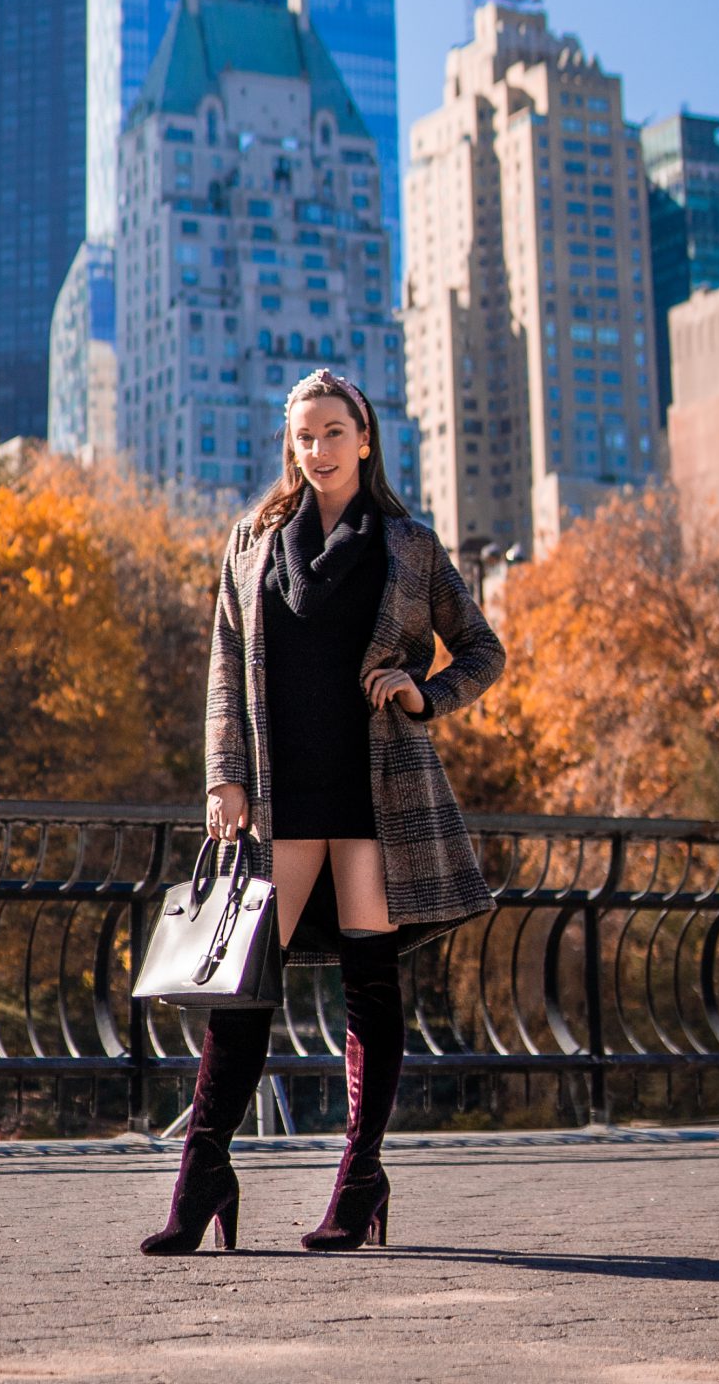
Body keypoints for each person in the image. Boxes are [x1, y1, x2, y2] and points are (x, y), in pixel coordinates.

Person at [141, 367, 506, 1256]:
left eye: (334, 432)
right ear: (290, 445)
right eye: (304, 435)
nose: (318, 449)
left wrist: (424, 694)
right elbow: (226, 666)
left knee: (369, 990)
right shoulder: (252, 541)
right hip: (282, 788)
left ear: (366, 438)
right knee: (243, 989)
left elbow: (484, 651)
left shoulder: (408, 545)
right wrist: (223, 777)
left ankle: (360, 1180)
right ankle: (203, 1173)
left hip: (379, 792)